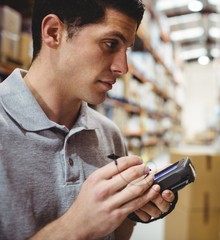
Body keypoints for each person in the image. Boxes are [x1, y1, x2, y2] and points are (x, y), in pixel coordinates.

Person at [0, 0, 176, 239]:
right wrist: (76, 225)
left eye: (127, 50)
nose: (122, 67)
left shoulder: (109, 135)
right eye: (110, 44)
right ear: (54, 32)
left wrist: (132, 209)